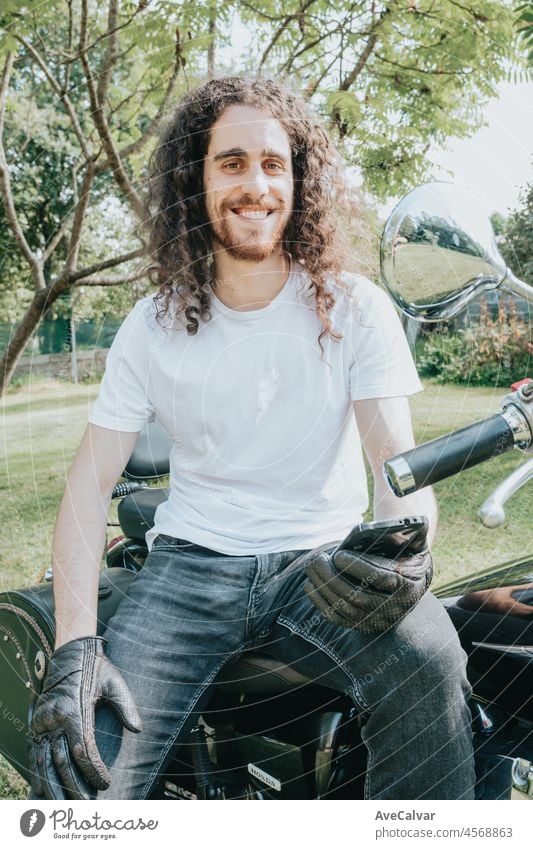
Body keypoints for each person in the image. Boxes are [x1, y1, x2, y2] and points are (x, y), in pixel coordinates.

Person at [29, 77, 475, 801]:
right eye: (230, 162)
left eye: (273, 163)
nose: (254, 184)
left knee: (431, 658)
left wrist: (408, 548)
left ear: (299, 178)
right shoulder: (152, 322)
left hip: (321, 565)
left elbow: (398, 469)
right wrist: (75, 645)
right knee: (86, 768)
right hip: (186, 571)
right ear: (195, 178)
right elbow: (88, 484)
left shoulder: (355, 307)